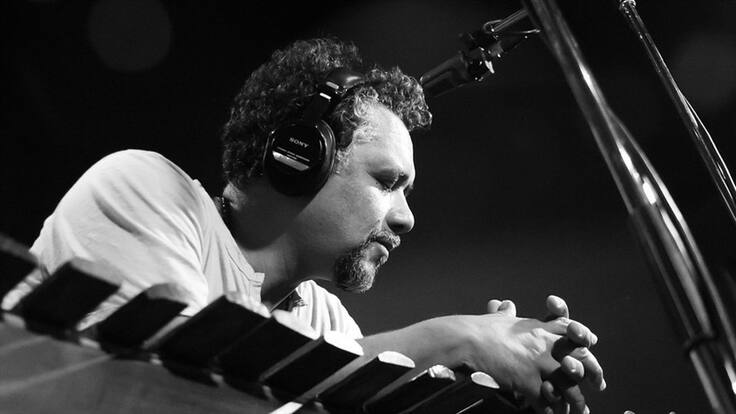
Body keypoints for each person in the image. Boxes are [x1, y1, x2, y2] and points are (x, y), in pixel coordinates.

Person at [3, 37, 604, 414]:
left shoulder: (326, 324)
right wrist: (452, 338)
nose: (406, 217)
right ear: (297, 157)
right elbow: (177, 392)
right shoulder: (144, 188)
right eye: (387, 181)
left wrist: (480, 389)